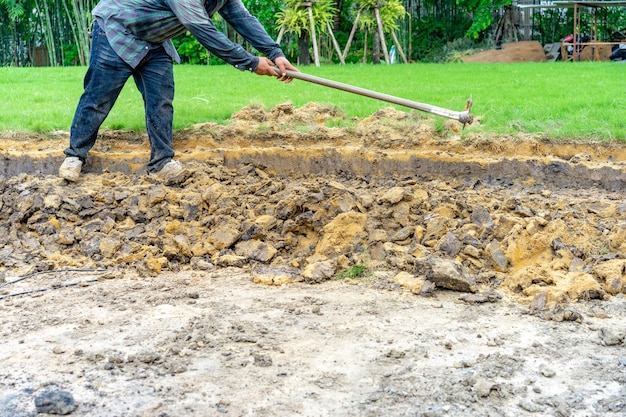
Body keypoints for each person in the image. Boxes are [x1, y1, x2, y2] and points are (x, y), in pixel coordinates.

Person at [59, 0, 298, 183]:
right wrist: (251, 62)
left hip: (155, 38)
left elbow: (241, 17)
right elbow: (201, 28)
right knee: (98, 97)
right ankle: (75, 155)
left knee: (161, 99)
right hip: (117, 28)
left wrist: (275, 53)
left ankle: (161, 162)